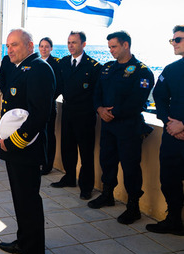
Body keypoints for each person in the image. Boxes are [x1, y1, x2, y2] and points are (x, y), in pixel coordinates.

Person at [0, 29, 55, 254]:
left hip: (26, 149)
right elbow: (12, 114)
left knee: (29, 202)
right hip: (15, 149)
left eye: (14, 45)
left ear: (30, 45)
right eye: (8, 46)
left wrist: (12, 144)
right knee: (20, 200)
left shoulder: (39, 69)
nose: (10, 50)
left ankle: (34, 253)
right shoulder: (21, 68)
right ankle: (25, 242)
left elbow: (39, 115)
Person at [89, 31, 154, 225]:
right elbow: (97, 92)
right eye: (109, 47)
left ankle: (133, 207)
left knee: (130, 167)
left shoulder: (142, 71)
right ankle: (107, 195)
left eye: (114, 46)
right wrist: (100, 109)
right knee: (107, 161)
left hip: (128, 128)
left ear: (126, 45)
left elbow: (137, 101)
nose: (110, 51)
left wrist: (112, 113)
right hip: (108, 126)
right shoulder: (108, 68)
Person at [51, 32, 101, 201]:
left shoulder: (93, 66)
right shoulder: (64, 62)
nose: (70, 45)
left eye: (74, 42)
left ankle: (86, 186)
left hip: (85, 114)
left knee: (86, 152)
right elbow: (57, 86)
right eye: (68, 42)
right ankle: (69, 177)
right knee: (67, 147)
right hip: (68, 110)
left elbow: (97, 93)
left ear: (83, 44)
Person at [146, 25, 184, 235]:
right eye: (172, 40)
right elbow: (159, 96)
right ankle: (174, 221)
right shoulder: (171, 70)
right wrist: (169, 123)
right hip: (172, 136)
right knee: (169, 179)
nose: (173, 44)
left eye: (177, 40)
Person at [38, 37, 61, 175]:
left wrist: (47, 98)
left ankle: (48, 165)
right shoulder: (36, 63)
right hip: (35, 107)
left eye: (47, 46)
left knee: (49, 136)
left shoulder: (55, 64)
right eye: (41, 46)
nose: (44, 48)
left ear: (51, 48)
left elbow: (58, 86)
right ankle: (40, 161)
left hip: (49, 106)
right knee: (38, 135)